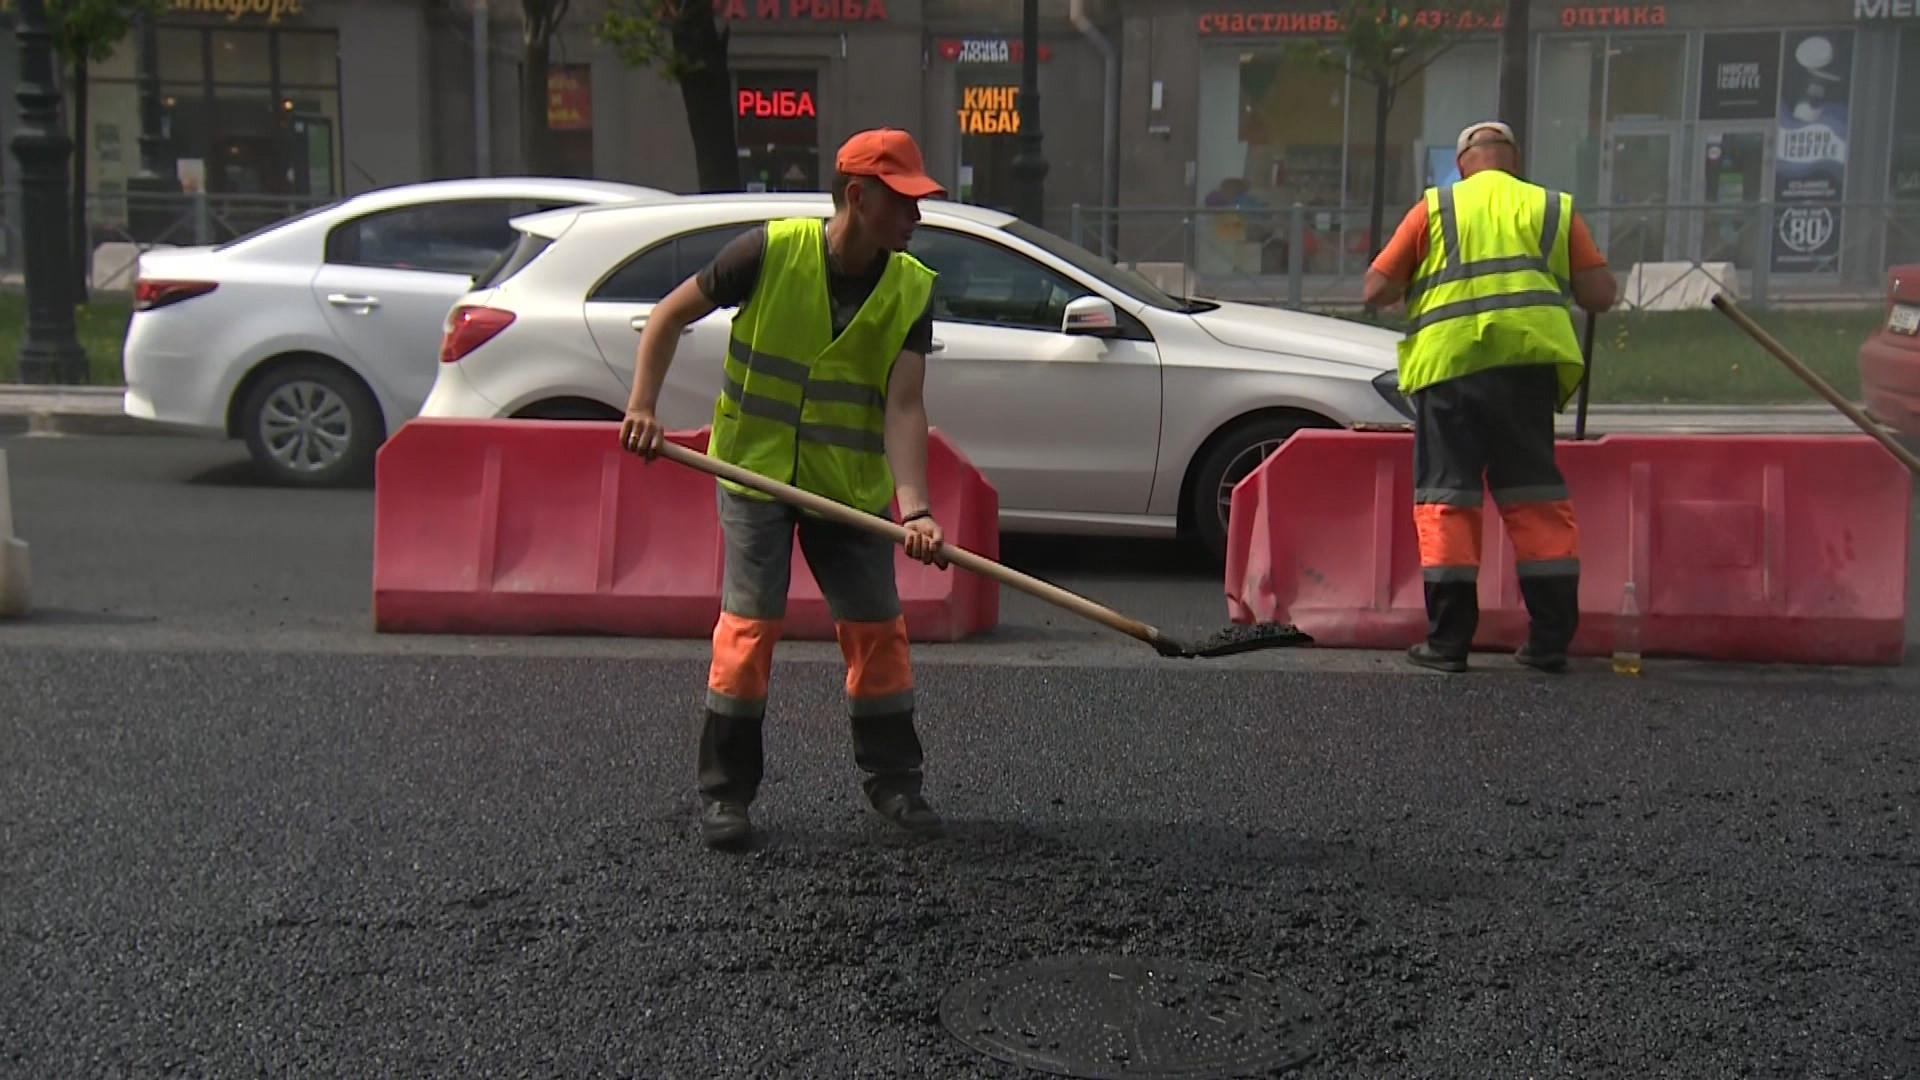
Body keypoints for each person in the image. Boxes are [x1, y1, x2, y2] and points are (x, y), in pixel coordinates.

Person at [619, 128, 951, 849]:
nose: (916, 220)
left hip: (847, 487)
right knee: (749, 630)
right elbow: (670, 316)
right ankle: (726, 796)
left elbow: (904, 405)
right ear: (858, 198)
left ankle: (895, 783)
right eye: (905, 204)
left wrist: (916, 508)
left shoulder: (910, 289)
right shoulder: (767, 253)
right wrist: (643, 405)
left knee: (878, 634)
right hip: (754, 472)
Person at [1361, 120, 1618, 675]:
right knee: (1535, 502)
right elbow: (1600, 294)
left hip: (1449, 373)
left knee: (1448, 501)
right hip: (1525, 375)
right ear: (1516, 161)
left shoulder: (1434, 208)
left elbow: (1375, 288)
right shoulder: (1551, 208)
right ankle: (1549, 643)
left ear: (1462, 165)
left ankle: (1448, 643)